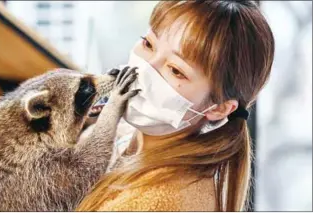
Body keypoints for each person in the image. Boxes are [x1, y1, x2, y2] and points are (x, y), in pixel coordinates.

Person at [76, 0, 274, 211]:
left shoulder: (159, 201)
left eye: (176, 70)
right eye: (148, 44)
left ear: (218, 108)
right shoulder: (125, 137)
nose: (144, 69)